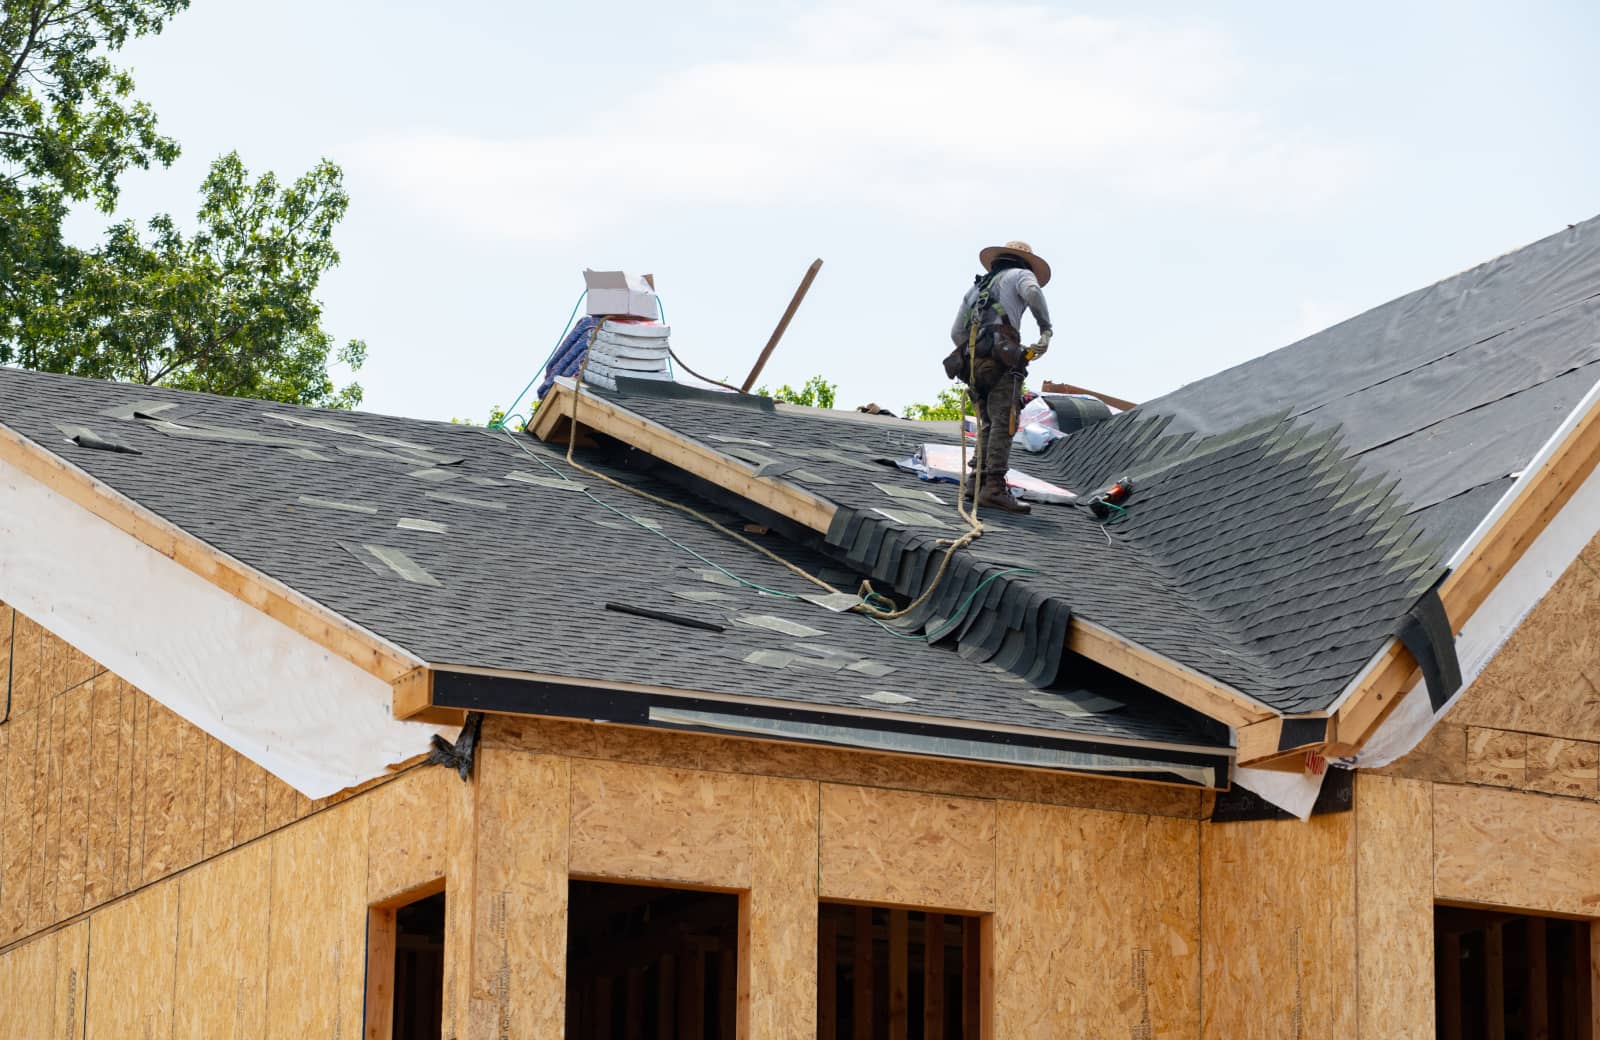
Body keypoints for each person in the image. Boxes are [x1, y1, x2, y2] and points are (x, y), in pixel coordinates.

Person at [944, 240, 1053, 514]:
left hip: (972, 366)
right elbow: (1032, 292)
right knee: (1005, 421)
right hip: (1002, 363)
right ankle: (993, 487)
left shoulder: (975, 289)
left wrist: (978, 351)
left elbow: (956, 333)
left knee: (987, 423)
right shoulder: (1021, 275)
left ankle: (975, 481)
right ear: (1026, 262)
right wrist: (1045, 328)